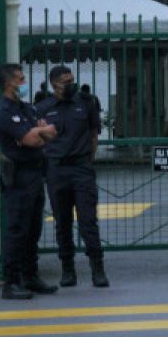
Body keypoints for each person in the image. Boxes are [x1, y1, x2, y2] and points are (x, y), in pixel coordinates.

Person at [37, 65, 108, 288]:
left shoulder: (86, 102)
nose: (71, 85)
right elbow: (38, 141)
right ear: (53, 85)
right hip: (56, 170)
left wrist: (87, 160)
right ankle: (68, 270)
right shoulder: (43, 108)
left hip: (81, 168)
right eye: (65, 82)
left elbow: (93, 135)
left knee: (88, 221)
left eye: (72, 80)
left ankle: (98, 269)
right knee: (63, 223)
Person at [0, 63, 58, 300]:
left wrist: (39, 133)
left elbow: (51, 133)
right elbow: (32, 139)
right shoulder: (4, 113)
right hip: (18, 177)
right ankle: (11, 282)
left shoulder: (27, 109)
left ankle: (31, 276)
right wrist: (39, 133)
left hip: (35, 174)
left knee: (33, 230)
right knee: (17, 230)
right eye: (20, 79)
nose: (24, 82)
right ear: (9, 82)